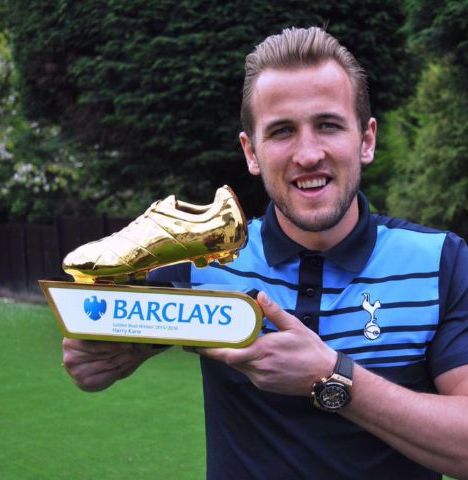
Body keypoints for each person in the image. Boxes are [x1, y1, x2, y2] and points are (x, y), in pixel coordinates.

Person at [62, 27, 468, 479]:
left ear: (366, 139)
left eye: (328, 125)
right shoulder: (201, 264)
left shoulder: (440, 263)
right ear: (251, 152)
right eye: (281, 132)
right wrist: (95, 356)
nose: (308, 154)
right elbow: (96, 351)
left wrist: (331, 378)